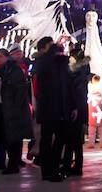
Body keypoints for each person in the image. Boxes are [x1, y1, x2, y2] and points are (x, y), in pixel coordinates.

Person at [33, 37, 72, 182]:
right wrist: (56, 46)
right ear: (43, 48)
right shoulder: (41, 62)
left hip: (58, 107)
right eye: (51, 46)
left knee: (59, 138)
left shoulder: (59, 62)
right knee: (47, 139)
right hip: (48, 108)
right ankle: (48, 171)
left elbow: (67, 82)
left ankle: (53, 168)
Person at [0, 44, 32, 174]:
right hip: (5, 108)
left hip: (12, 109)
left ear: (7, 57)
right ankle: (12, 163)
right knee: (10, 137)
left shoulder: (13, 70)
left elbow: (20, 91)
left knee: (13, 138)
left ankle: (13, 164)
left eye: (0, 56)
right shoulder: (1, 70)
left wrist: (15, 107)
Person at [62, 44, 91, 176]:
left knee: (71, 139)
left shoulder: (76, 73)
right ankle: (76, 165)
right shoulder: (83, 71)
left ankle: (69, 165)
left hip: (76, 108)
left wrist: (74, 107)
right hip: (81, 107)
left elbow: (76, 91)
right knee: (77, 140)